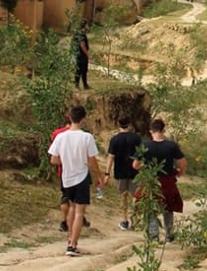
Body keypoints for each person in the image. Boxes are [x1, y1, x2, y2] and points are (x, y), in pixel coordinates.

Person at [47, 106, 104, 257]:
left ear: (69, 118)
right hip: (82, 176)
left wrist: (66, 160)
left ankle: (69, 240)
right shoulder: (87, 137)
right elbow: (92, 161)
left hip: (67, 177)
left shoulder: (60, 137)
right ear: (83, 119)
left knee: (71, 208)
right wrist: (99, 176)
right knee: (79, 211)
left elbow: (53, 159)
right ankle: (73, 245)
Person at [132, 118, 186, 244]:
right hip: (167, 180)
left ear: (151, 131)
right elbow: (183, 163)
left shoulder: (145, 145)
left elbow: (135, 165)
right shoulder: (171, 145)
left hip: (151, 180)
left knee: (151, 208)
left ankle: (153, 236)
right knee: (168, 207)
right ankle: (169, 234)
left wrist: (145, 171)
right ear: (164, 130)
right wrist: (179, 174)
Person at [103, 115, 142, 231]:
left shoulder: (115, 139)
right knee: (135, 196)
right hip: (135, 171)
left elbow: (111, 157)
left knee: (123, 196)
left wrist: (107, 173)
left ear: (118, 125)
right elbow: (141, 155)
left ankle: (125, 220)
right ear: (129, 124)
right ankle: (136, 220)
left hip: (120, 171)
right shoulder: (136, 138)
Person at [73, 20, 91, 90]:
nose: (88, 26)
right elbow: (82, 45)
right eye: (87, 25)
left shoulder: (77, 33)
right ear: (85, 25)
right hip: (81, 55)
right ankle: (78, 85)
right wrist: (87, 54)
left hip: (79, 54)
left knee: (82, 70)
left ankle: (84, 85)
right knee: (81, 70)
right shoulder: (81, 34)